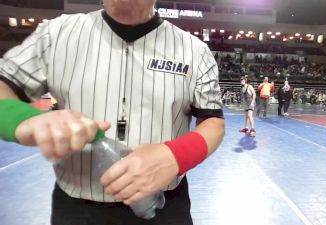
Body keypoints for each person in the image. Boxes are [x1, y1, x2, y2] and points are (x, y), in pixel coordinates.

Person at [0, 0, 225, 224]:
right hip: (77, 209)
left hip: (163, 205)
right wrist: (24, 119)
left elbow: (213, 122)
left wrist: (175, 156)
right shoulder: (55, 34)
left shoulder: (195, 50)